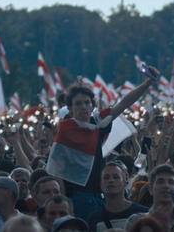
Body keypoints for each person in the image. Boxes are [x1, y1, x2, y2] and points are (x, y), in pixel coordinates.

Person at [46, 66, 160, 220]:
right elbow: (58, 171)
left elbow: (123, 103)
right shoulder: (65, 131)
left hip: (100, 196)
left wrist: (147, 84)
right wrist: (65, 205)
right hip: (77, 198)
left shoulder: (98, 123)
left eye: (87, 103)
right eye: (78, 104)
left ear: (92, 106)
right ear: (70, 109)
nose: (83, 107)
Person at [87, 161, 148, 231]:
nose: (111, 180)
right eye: (106, 177)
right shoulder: (94, 219)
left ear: (125, 182)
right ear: (100, 184)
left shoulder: (142, 213)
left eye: (116, 177)